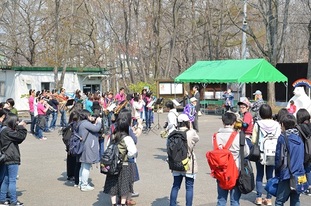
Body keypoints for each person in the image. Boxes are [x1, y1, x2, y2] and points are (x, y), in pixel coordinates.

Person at [214, 112, 249, 206]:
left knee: (221, 200)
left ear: (223, 122)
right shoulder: (239, 136)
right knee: (235, 201)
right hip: (235, 170)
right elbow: (246, 153)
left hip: (220, 171)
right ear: (234, 122)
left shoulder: (216, 136)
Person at [103, 110, 138, 206]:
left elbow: (107, 148)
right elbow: (133, 152)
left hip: (112, 164)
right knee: (124, 186)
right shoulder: (127, 138)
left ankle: (114, 204)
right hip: (124, 164)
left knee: (113, 185)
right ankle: (123, 203)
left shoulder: (113, 136)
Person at [251, 104, 281, 205]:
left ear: (260, 113)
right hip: (272, 152)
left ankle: (259, 197)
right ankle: (268, 199)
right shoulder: (276, 124)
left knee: (259, 175)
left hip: (260, 152)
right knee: (270, 175)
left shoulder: (258, 124)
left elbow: (254, 139)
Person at [275, 114, 305, 206]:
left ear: (283, 124)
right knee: (295, 200)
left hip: (287, 174)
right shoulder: (300, 137)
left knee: (279, 201)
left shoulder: (283, 138)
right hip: (300, 173)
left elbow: (279, 158)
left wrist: (277, 171)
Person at [169, 114, 199, 206]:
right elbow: (197, 139)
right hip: (188, 163)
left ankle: (172, 204)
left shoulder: (173, 133)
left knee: (175, 186)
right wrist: (191, 127)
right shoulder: (191, 132)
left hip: (176, 163)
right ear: (187, 122)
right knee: (189, 187)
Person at [0, 113, 27, 206]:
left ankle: (2, 199)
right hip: (11, 156)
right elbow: (20, 137)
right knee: (12, 180)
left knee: (7, 179)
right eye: (16, 121)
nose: (17, 123)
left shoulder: (4, 130)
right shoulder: (7, 131)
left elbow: (18, 140)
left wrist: (19, 127)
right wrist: (21, 127)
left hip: (7, 156)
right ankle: (13, 201)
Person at [77, 109, 102, 191]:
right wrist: (99, 122)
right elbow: (96, 129)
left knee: (83, 166)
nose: (91, 117)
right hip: (88, 146)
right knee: (86, 166)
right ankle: (84, 185)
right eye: (89, 115)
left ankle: (81, 182)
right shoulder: (85, 123)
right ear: (86, 116)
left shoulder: (81, 123)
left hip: (84, 146)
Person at [295, 108, 311, 196]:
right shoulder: (310, 125)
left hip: (303, 151)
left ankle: (301, 187)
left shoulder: (298, 127)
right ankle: (309, 188)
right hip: (310, 151)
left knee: (301, 170)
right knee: (308, 169)